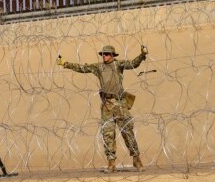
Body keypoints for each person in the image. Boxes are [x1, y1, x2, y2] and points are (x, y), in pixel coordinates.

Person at [58, 44, 148, 172]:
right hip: (107, 105)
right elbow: (83, 68)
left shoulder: (118, 65)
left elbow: (134, 63)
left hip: (120, 103)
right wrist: (65, 64)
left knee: (127, 131)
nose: (104, 56)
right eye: (102, 54)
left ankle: (136, 159)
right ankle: (111, 163)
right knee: (108, 134)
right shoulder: (99, 67)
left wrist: (142, 55)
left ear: (112, 55)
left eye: (106, 54)